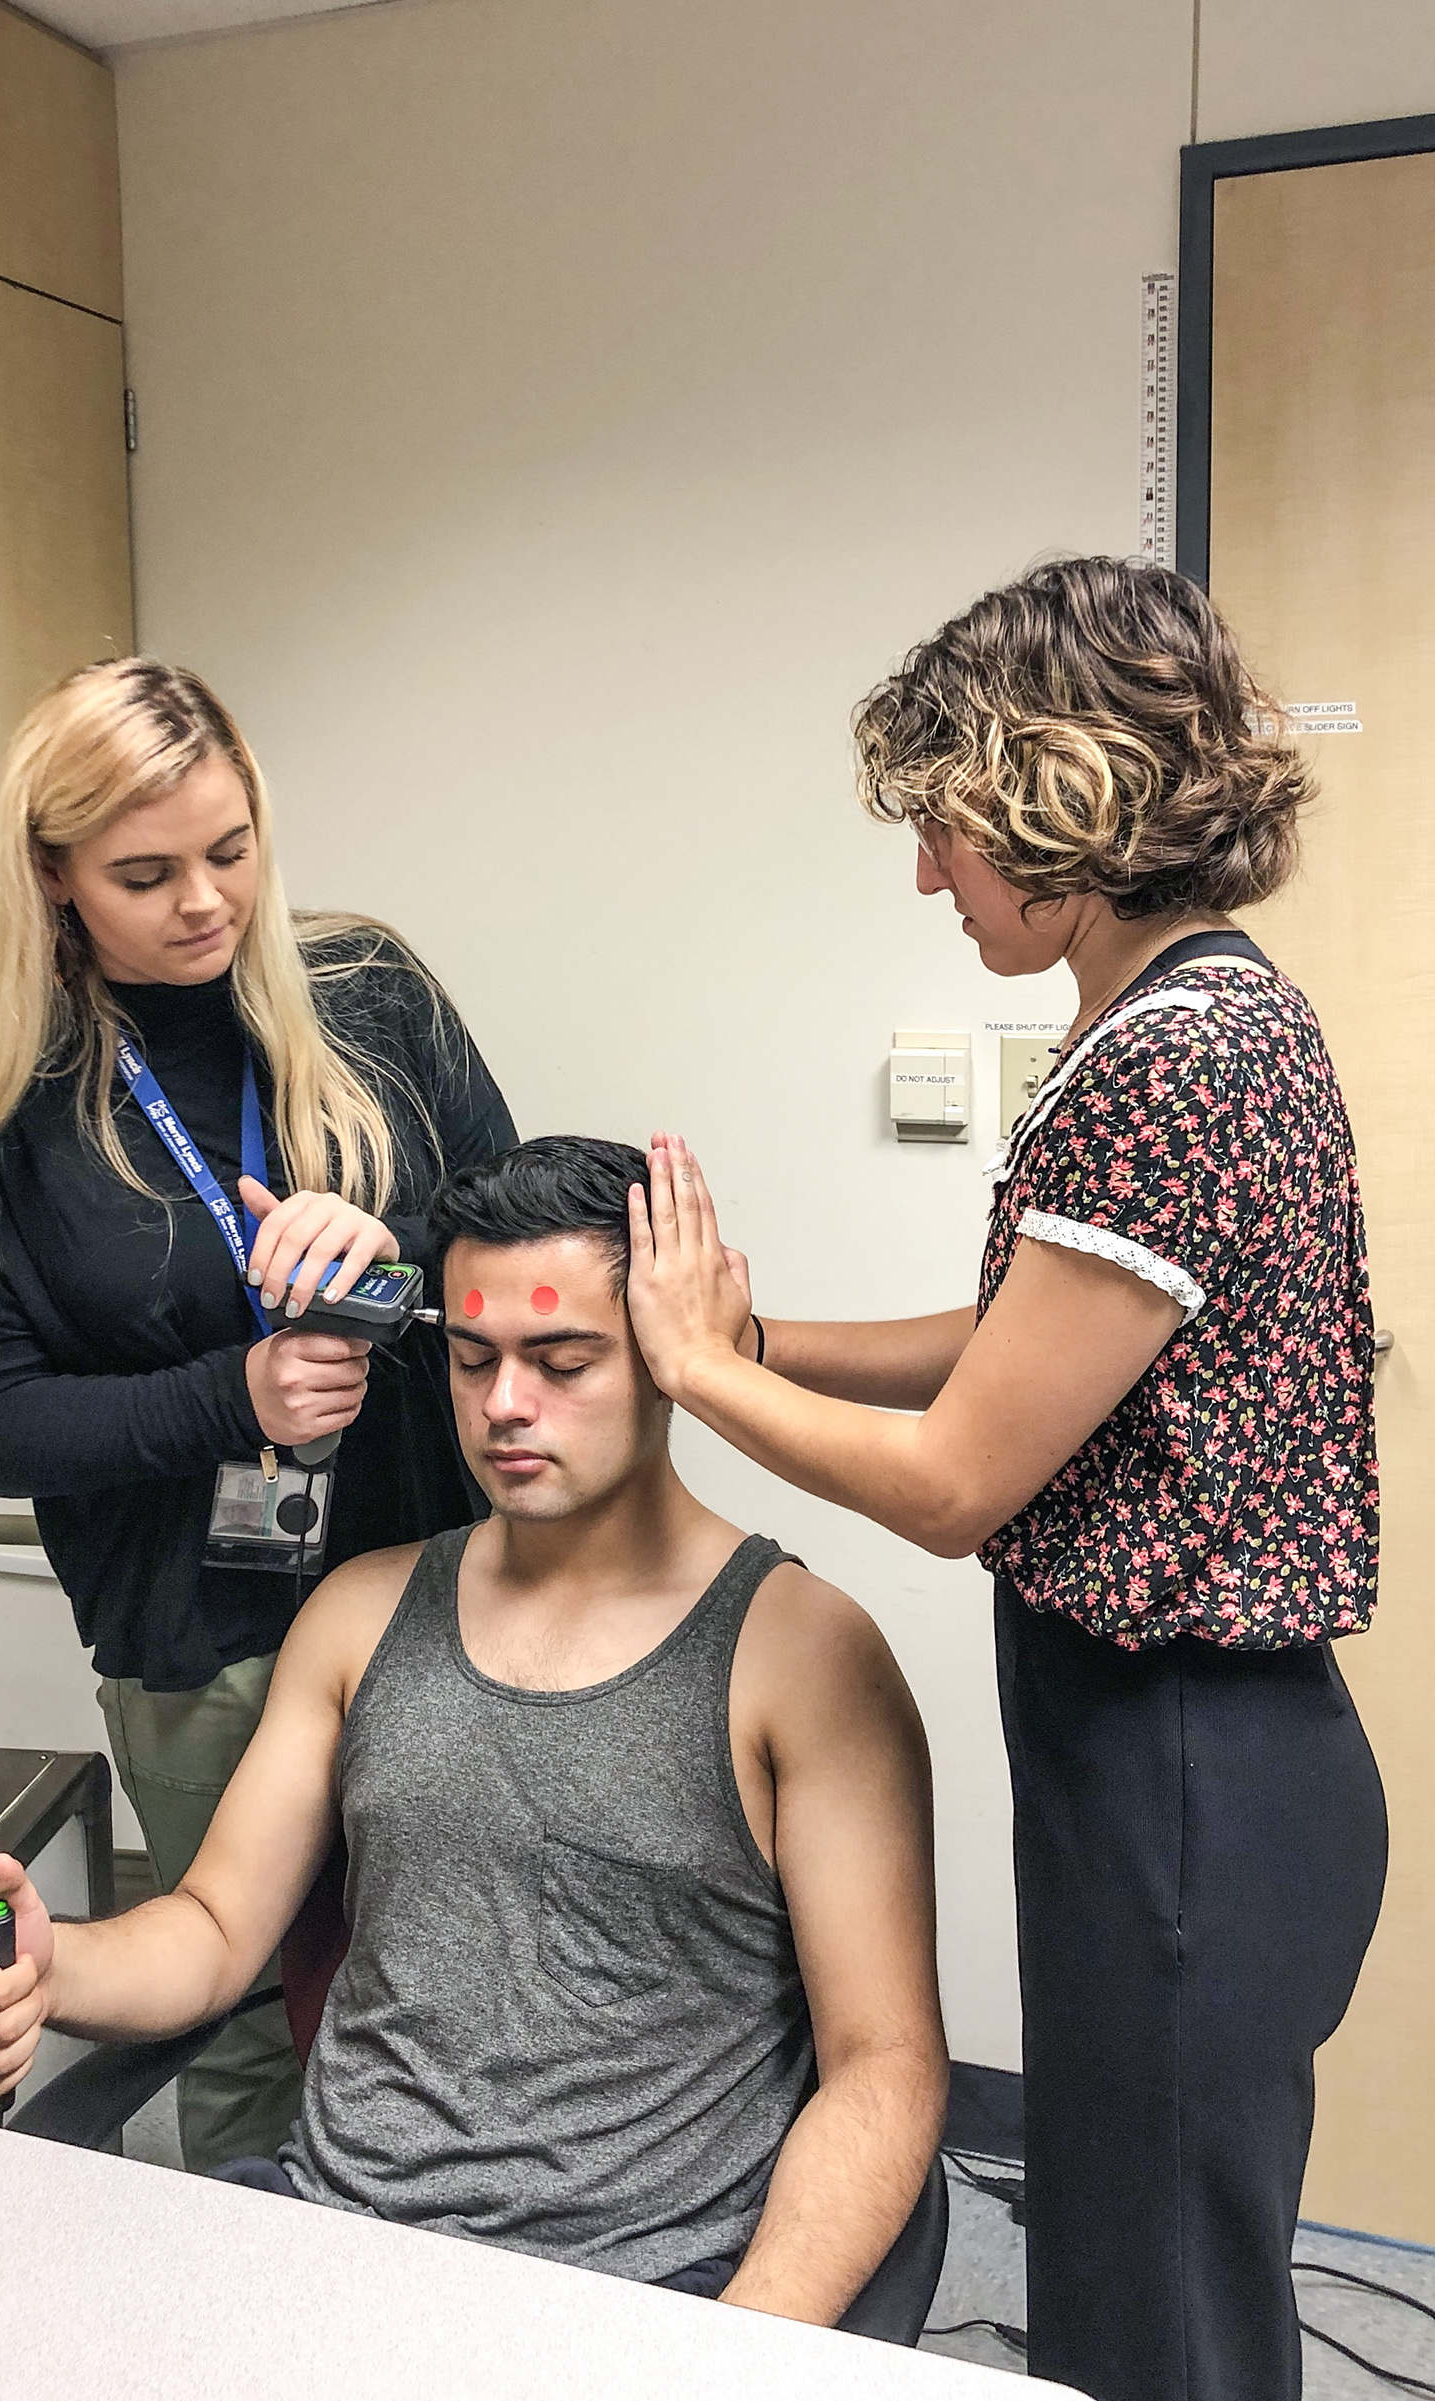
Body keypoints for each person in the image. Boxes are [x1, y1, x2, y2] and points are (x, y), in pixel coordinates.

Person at [621, 557, 1387, 2401]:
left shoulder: (1170, 1066)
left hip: (1187, 1768)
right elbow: (1017, 1348)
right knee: (1151, 2264)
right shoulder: (1189, 1017)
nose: (926, 874)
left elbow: (961, 1481)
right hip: (1182, 1754)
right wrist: (771, 1337)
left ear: (1059, 795)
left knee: (1161, 2318)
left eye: (948, 827)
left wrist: (699, 1377)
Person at [0, 1137, 947, 2324]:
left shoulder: (804, 1656)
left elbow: (885, 2063)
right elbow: (210, 1930)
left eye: (563, 1361)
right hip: (334, 2253)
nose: (507, 1403)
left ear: (673, 1361)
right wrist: (48, 1970)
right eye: (472, 1359)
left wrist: (747, 2342)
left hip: (647, 2297)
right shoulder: (361, 1613)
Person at [0, 657, 515, 2173]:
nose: (203, 903)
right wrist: (225, 1396)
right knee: (245, 2026)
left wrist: (389, 1268)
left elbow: (529, 1248)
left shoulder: (370, 994)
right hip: (200, 1645)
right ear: (50, 878)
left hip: (441, 1605)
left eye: (231, 853)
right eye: (144, 873)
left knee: (477, 2002)